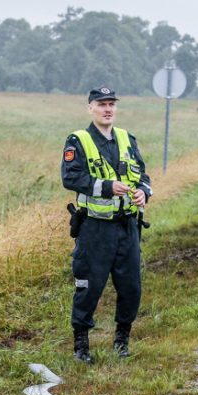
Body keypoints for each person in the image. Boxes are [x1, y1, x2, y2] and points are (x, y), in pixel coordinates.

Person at [61, 87, 152, 364]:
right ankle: (81, 347)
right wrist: (107, 187)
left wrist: (143, 192)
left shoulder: (127, 138)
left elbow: (142, 173)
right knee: (89, 286)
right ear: (91, 108)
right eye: (102, 104)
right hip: (95, 229)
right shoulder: (79, 140)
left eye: (111, 104)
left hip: (127, 227)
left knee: (131, 287)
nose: (107, 109)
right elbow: (71, 178)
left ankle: (122, 341)